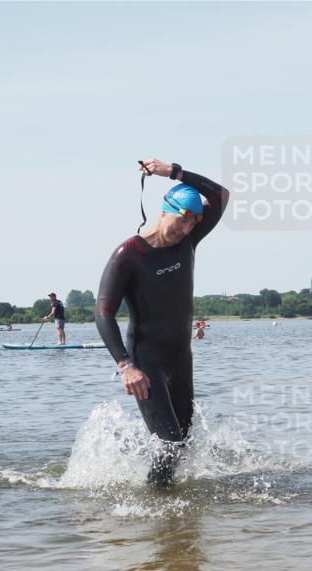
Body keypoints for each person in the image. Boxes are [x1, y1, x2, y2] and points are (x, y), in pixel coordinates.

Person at [96, 158, 229, 486]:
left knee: (182, 442)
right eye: (182, 220)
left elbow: (221, 195)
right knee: (170, 444)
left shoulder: (188, 242)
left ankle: (173, 525)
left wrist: (173, 171)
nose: (185, 229)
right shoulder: (128, 254)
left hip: (180, 358)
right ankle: (154, 506)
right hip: (146, 361)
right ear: (164, 209)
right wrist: (126, 366)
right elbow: (103, 313)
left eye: (192, 224)